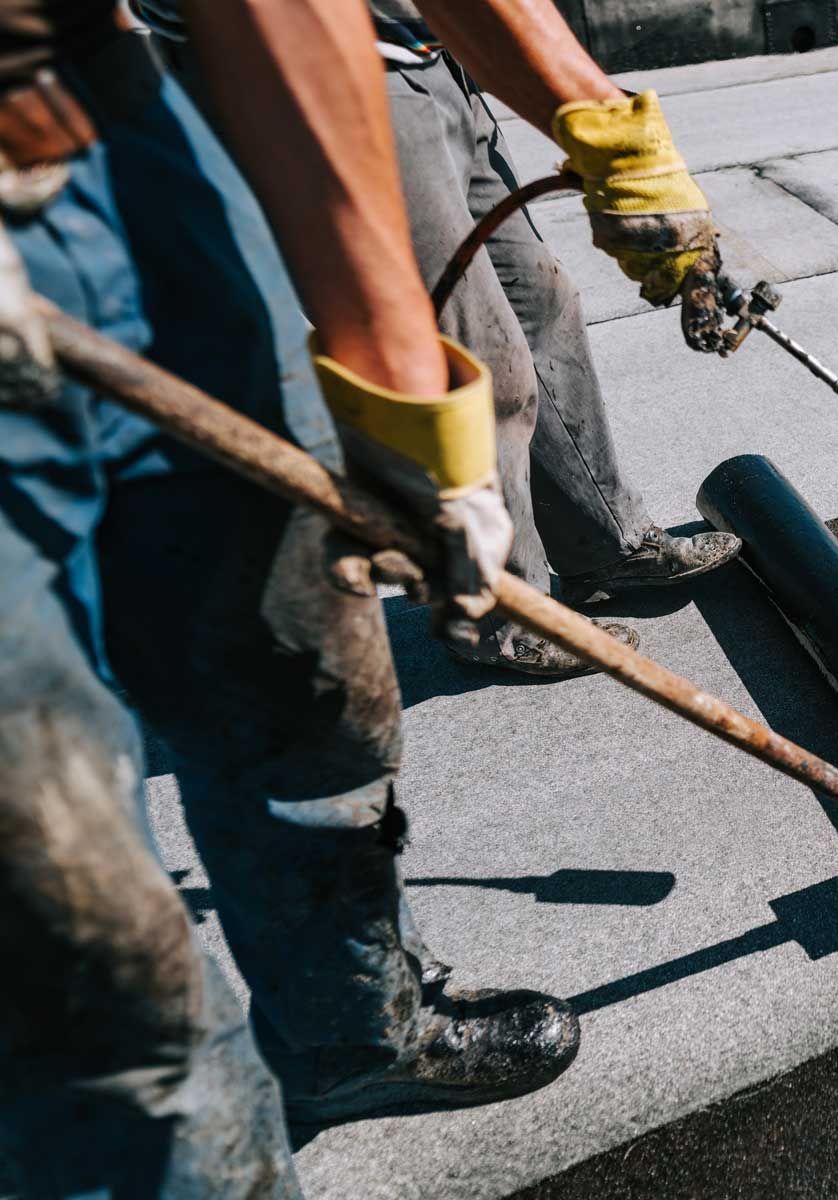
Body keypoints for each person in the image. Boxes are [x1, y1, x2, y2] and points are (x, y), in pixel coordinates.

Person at [0, 0, 727, 1188]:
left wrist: (400, 389)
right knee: (63, 913)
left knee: (298, 661)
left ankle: (349, 1028)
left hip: (110, 134)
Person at [139, 0, 746, 676]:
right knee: (474, 360)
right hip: (312, 69)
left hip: (428, 55)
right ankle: (500, 615)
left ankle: (605, 545)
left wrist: (599, 128)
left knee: (541, 303)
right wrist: (612, 130)